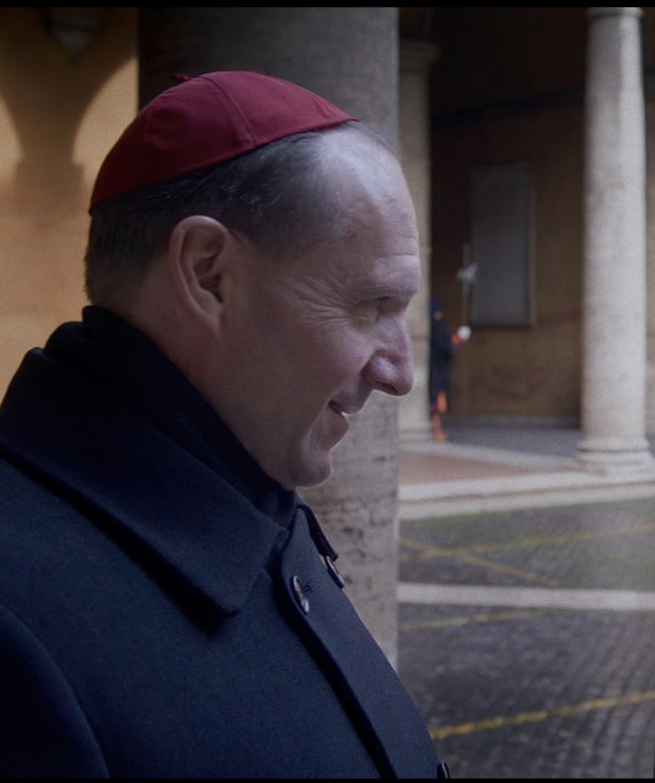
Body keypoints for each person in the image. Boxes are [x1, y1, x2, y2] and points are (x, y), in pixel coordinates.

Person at [0, 71, 448, 777]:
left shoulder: (250, 487)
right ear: (208, 274)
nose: (400, 372)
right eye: (370, 305)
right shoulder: (15, 627)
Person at [428, 297, 468, 442]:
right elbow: (447, 348)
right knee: (437, 403)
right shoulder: (438, 327)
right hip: (438, 371)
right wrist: (459, 339)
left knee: (436, 402)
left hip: (434, 369)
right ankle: (436, 431)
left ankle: (437, 431)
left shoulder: (430, 326)